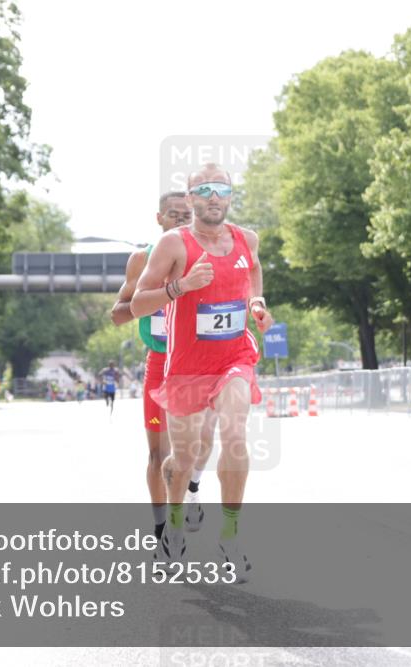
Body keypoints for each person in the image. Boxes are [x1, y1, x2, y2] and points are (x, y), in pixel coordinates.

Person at [131, 163, 273, 581]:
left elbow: (254, 271)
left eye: (222, 189)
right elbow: (138, 304)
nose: (214, 196)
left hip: (234, 358)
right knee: (184, 457)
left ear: (230, 196)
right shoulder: (172, 245)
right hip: (187, 367)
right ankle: (174, 529)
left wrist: (256, 303)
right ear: (191, 197)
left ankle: (230, 536)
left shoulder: (247, 239)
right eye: (205, 189)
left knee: (235, 434)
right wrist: (181, 287)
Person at [111, 191, 215, 543]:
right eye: (174, 215)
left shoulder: (208, 256)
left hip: (199, 362)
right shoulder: (143, 259)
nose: (181, 221)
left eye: (188, 215)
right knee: (158, 454)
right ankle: (161, 533)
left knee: (201, 443)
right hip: (160, 361)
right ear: (159, 218)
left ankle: (193, 488)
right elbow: (117, 314)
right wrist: (159, 299)